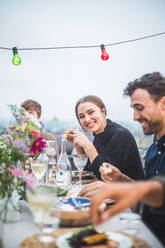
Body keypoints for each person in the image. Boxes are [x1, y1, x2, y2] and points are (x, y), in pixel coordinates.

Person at [81, 72, 165, 245]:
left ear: (163, 104)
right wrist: (120, 179)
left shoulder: (120, 135)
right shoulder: (153, 150)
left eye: (139, 108)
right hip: (144, 230)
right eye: (133, 109)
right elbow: (149, 197)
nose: (135, 117)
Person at [66, 95, 144, 180]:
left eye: (91, 112)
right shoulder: (98, 136)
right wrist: (78, 147)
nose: (87, 119)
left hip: (132, 192)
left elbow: (107, 178)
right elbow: (88, 173)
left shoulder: (120, 136)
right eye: (81, 116)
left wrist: (89, 146)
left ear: (103, 112)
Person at [90, 175, 165, 226]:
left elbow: (146, 189)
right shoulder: (152, 152)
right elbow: (145, 194)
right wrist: (121, 179)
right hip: (144, 224)